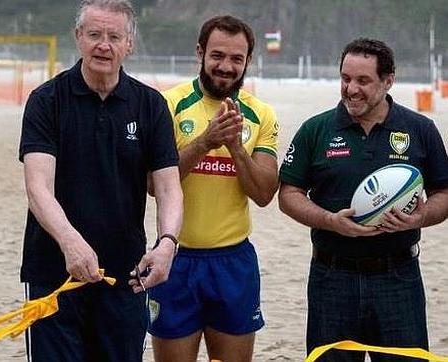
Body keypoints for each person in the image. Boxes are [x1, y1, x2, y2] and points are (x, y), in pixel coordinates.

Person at [18, 1, 183, 361]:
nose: (103, 45)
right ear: (78, 37)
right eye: (94, 34)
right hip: (54, 273)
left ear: (130, 44)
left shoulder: (150, 105)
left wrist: (167, 243)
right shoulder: (46, 100)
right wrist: (69, 241)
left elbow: (169, 186)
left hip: (126, 275)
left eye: (113, 36)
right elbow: (38, 187)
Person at [279, 38, 448, 361]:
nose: (351, 89)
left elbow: (443, 193)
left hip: (398, 277)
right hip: (332, 277)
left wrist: (421, 218)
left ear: (388, 81)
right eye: (345, 79)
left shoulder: (420, 129)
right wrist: (329, 220)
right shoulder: (316, 130)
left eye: (363, 81)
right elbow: (288, 194)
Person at [147, 15, 279, 362]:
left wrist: (235, 146)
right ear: (200, 53)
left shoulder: (260, 115)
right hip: (174, 258)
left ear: (248, 61)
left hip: (232, 262)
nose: (226, 66)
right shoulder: (168, 105)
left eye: (237, 59)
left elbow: (265, 194)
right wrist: (205, 141)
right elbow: (150, 184)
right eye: (217, 55)